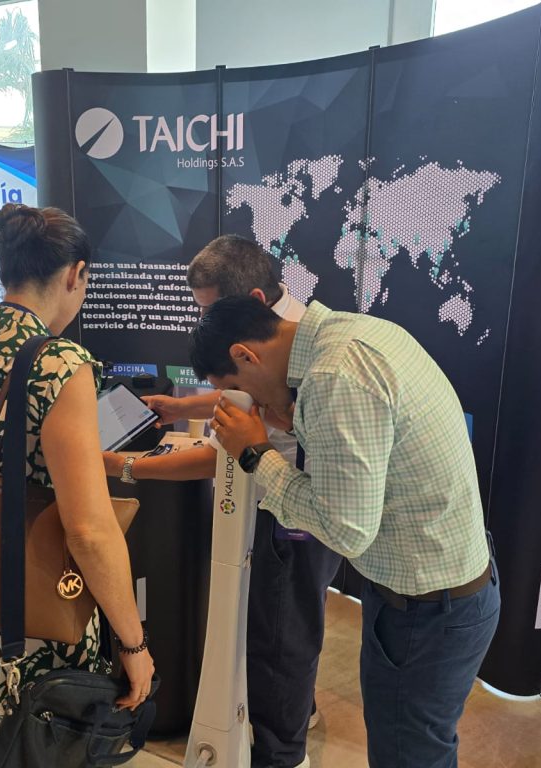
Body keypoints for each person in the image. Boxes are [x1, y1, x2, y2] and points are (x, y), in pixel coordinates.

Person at [190, 295, 500, 768]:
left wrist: (255, 454)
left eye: (235, 389)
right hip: (434, 591)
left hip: (426, 610)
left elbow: (347, 530)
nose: (248, 404)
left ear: (245, 355)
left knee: (408, 756)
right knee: (416, 748)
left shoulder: (335, 376)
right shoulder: (354, 335)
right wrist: (294, 421)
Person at [0, 204, 154, 768]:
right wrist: (134, 642)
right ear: (75, 274)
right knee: (52, 748)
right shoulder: (60, 363)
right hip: (42, 608)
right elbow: (88, 530)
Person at [103, 235, 341, 768]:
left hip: (291, 518)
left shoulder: (307, 365)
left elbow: (221, 454)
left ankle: (280, 751)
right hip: (297, 513)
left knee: (279, 640)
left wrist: (123, 466)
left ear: (251, 304)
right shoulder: (292, 332)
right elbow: (246, 394)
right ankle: (292, 715)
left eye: (211, 312)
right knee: (289, 631)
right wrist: (184, 406)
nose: (204, 325)